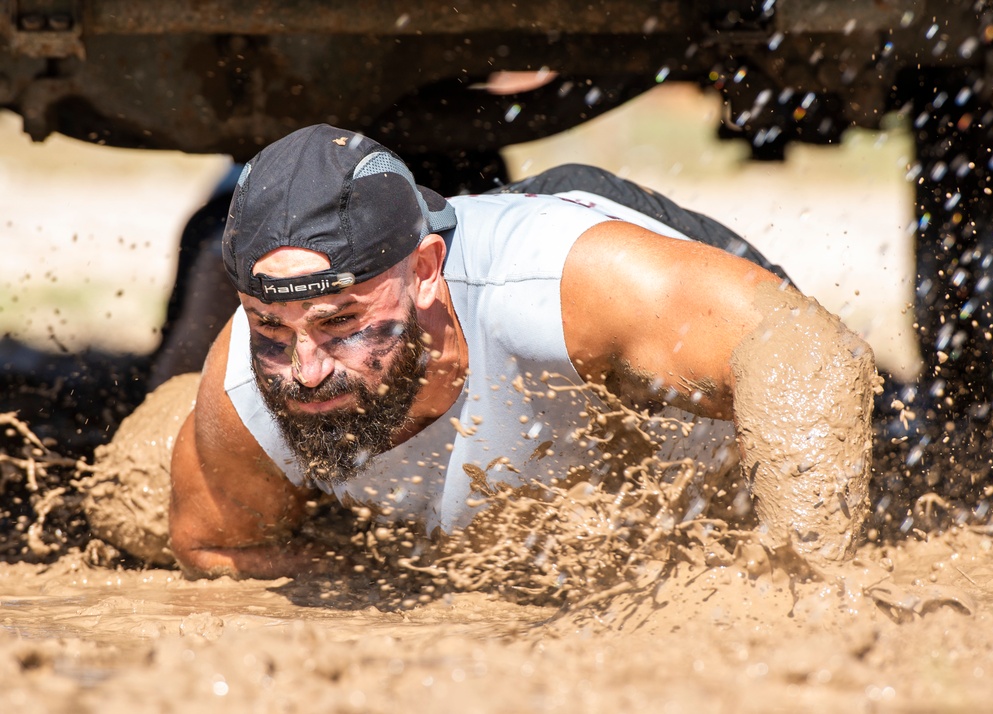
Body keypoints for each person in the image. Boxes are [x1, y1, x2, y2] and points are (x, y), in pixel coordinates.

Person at [167, 124, 878, 579]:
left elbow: (812, 355)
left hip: (616, 261)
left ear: (422, 274)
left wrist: (802, 576)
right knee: (144, 477)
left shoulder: (563, 286)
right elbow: (215, 546)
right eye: (270, 325)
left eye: (341, 321)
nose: (306, 369)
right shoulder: (246, 389)